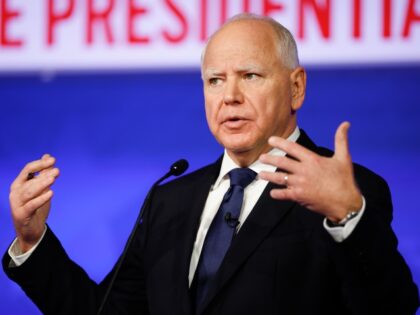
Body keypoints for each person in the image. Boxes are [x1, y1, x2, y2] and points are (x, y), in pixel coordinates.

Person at [3, 13, 419, 315]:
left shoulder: (348, 190)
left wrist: (348, 217)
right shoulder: (170, 202)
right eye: (215, 80)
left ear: (296, 87)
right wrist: (32, 241)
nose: (229, 96)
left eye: (250, 76)